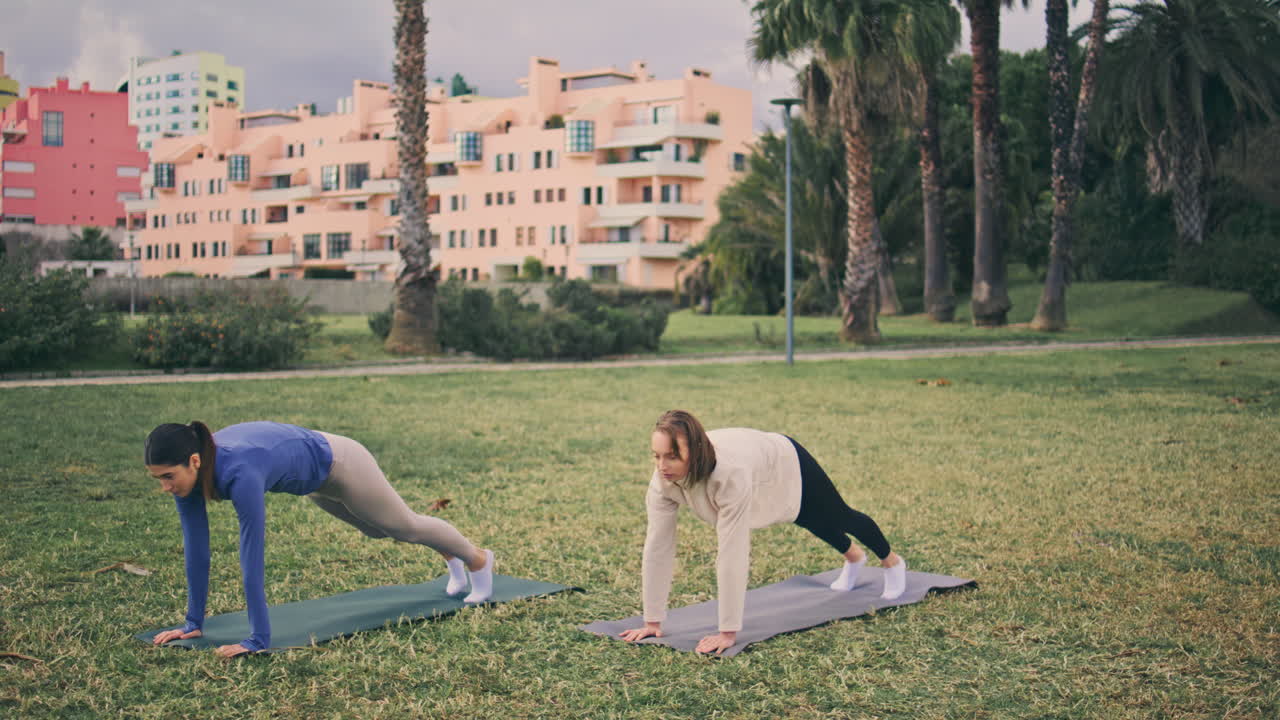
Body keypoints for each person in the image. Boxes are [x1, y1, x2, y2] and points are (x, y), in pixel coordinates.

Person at [145, 421, 495, 657]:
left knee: (403, 526)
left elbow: (251, 553)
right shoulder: (187, 477)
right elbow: (197, 551)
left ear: (194, 460)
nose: (165, 487)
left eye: (168, 476)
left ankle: (476, 559)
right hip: (313, 483)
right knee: (375, 530)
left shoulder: (240, 472)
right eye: (158, 479)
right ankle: (448, 555)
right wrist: (192, 624)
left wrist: (257, 640)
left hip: (340, 462)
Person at [620, 410, 906, 655]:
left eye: (672, 456)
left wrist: (727, 632)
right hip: (754, 464)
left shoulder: (727, 475)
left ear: (693, 451)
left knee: (836, 514)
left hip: (784, 458)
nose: (661, 466)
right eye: (656, 456)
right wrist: (652, 622)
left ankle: (891, 562)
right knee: (806, 518)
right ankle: (854, 558)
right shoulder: (662, 481)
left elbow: (732, 552)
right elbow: (657, 547)